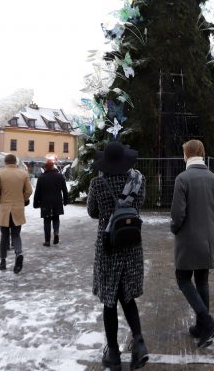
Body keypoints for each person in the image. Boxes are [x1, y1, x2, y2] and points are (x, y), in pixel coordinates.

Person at [87, 142, 149, 371]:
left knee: (110, 301)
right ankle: (139, 343)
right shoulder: (138, 181)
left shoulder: (97, 183)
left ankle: (113, 354)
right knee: (128, 297)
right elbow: (139, 204)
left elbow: (93, 212)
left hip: (108, 247)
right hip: (132, 244)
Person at [170, 139, 214, 348]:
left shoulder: (182, 179)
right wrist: (207, 225)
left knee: (183, 280)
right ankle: (202, 326)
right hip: (207, 241)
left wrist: (175, 228)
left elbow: (177, 213)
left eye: (184, 153)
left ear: (188, 154)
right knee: (202, 282)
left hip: (187, 240)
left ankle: (208, 322)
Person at [0, 154, 33, 273]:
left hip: (5, 209)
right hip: (18, 208)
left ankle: (3, 262)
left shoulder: (0, 173)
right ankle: (19, 254)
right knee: (16, 234)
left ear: (5, 162)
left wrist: (0, 201)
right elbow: (29, 191)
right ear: (15, 162)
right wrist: (23, 199)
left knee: (4, 235)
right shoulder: (23, 174)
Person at [33, 158, 69, 246]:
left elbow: (37, 192)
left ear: (45, 168)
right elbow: (64, 190)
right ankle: (56, 233)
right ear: (53, 166)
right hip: (57, 201)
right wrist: (66, 200)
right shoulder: (60, 176)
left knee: (47, 221)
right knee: (56, 218)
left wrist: (35, 203)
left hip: (45, 202)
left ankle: (47, 241)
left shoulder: (41, 178)